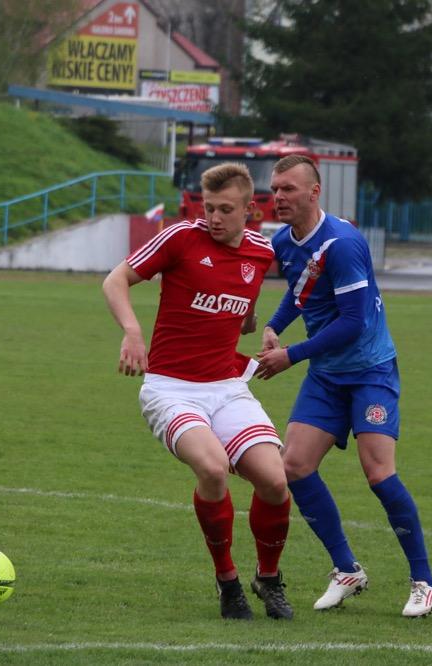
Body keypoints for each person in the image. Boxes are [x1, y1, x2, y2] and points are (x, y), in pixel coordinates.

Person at [102, 162, 293, 621]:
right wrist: (132, 332)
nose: (214, 218)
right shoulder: (181, 237)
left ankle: (268, 578)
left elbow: (244, 306)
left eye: (225, 209)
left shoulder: (260, 252)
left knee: (274, 481)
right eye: (208, 208)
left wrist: (254, 323)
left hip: (226, 386)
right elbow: (115, 280)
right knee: (212, 467)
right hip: (171, 389)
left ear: (249, 210)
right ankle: (227, 581)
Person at [255, 154, 432, 618]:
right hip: (327, 374)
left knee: (378, 473)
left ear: (314, 192)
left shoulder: (342, 243)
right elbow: (300, 289)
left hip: (369, 370)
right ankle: (346, 570)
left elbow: (354, 322)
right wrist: (274, 325)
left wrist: (291, 355)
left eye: (288, 188)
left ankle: (425, 582)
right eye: (275, 188)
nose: (278, 196)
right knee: (294, 465)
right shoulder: (285, 240)